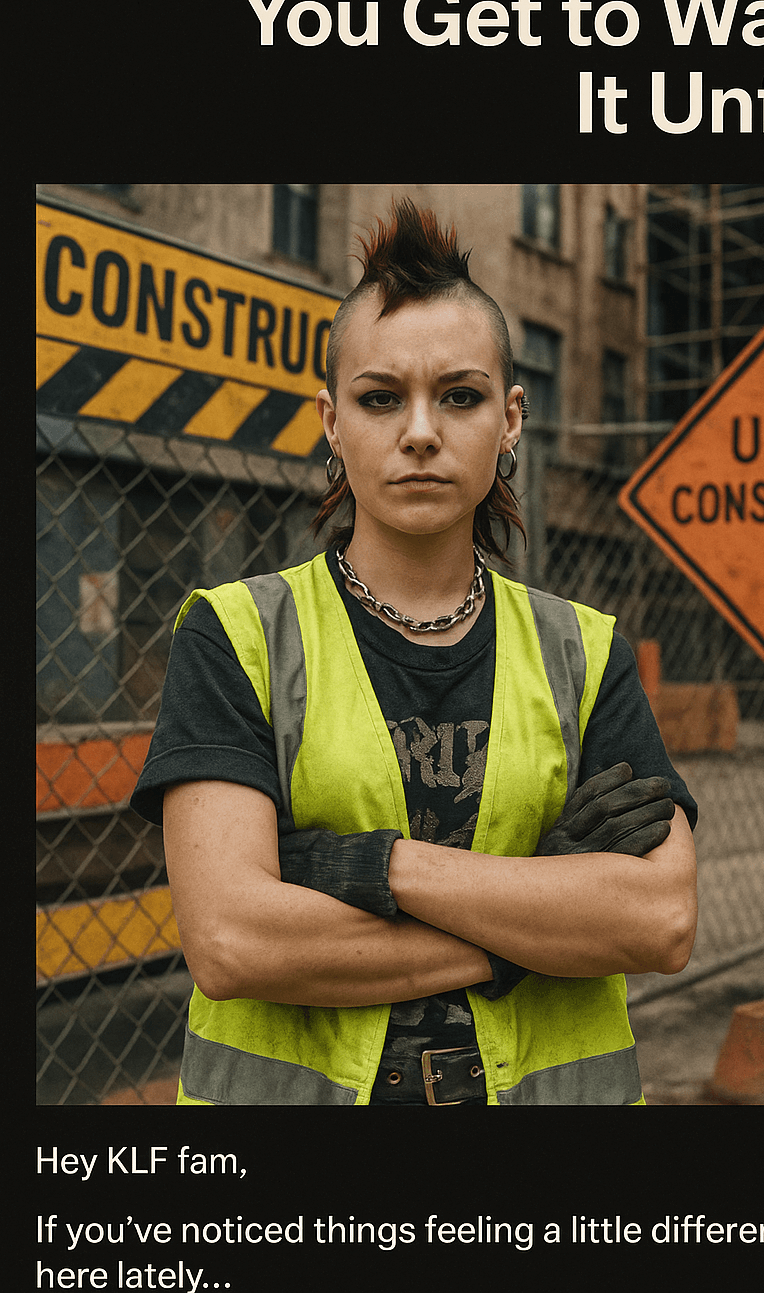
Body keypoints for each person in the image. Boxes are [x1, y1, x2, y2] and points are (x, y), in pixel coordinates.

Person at [132, 199, 698, 1106]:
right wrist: (536, 916)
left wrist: (371, 867)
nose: (422, 430)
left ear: (511, 419)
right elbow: (234, 942)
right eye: (381, 397)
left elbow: (661, 921)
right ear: (332, 421)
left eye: (461, 396)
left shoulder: (584, 653)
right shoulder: (239, 636)